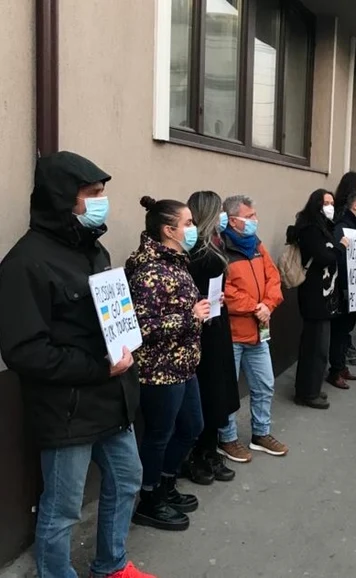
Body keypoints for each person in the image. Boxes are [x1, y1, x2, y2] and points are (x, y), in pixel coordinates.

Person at [0, 152, 154, 578]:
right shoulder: (24, 264)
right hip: (66, 410)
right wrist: (98, 368)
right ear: (63, 198)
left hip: (112, 400)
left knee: (126, 480)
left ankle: (112, 565)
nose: (102, 202)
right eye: (93, 194)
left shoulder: (95, 250)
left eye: (103, 192)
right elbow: (25, 351)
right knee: (63, 507)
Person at [126, 196, 208, 532]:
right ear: (168, 229)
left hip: (183, 365)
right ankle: (149, 500)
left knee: (192, 427)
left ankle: (166, 483)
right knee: (159, 435)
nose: (193, 229)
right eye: (187, 223)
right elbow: (142, 328)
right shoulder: (149, 271)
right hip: (159, 370)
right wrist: (190, 317)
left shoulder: (176, 261)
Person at [217, 195, 287, 462]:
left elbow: (273, 277)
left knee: (265, 385)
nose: (254, 220)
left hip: (259, 332)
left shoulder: (257, 245)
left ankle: (261, 433)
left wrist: (267, 305)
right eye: (250, 216)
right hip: (233, 334)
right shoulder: (221, 247)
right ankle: (228, 439)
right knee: (229, 392)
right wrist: (254, 306)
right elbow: (225, 290)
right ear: (233, 220)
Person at [181, 191, 240, 483]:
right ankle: (198, 454)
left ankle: (210, 449)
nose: (222, 218)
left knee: (219, 388)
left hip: (217, 322)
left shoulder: (216, 243)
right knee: (207, 389)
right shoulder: (194, 251)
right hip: (202, 326)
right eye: (218, 212)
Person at [293, 189, 347, 409]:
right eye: (326, 202)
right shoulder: (310, 229)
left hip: (324, 296)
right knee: (314, 347)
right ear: (316, 204)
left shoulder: (324, 227)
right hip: (314, 296)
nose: (330, 206)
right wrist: (340, 247)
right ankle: (307, 392)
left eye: (332, 202)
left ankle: (312, 388)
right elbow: (325, 256)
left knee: (319, 347)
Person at [327, 189, 356, 389]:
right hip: (345, 288)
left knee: (347, 329)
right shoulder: (342, 227)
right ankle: (335, 370)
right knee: (339, 330)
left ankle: (342, 365)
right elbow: (338, 256)